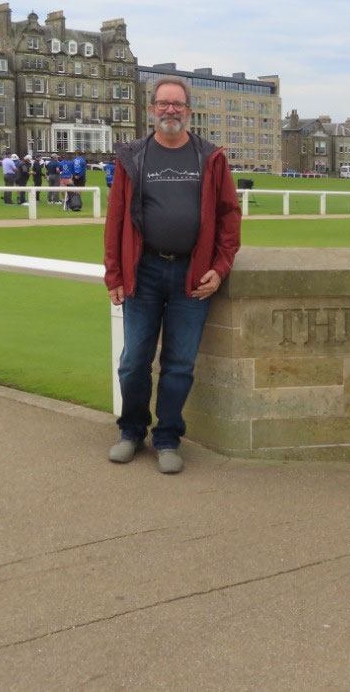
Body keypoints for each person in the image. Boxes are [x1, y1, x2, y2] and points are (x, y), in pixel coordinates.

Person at [104, 76, 241, 474]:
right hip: (142, 272)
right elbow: (116, 219)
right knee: (134, 361)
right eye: (163, 104)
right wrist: (114, 273)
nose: (170, 110)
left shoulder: (210, 157)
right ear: (151, 110)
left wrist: (220, 267)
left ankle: (167, 438)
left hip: (191, 276)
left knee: (179, 364)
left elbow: (229, 217)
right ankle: (131, 432)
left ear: (188, 111)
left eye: (177, 104)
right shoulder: (133, 157)